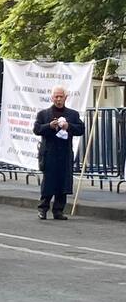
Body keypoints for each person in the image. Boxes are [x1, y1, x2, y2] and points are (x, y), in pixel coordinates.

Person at [33, 86, 85, 220]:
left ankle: (58, 210)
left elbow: (81, 129)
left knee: (63, 181)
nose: (58, 99)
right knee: (48, 181)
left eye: (61, 96)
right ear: (52, 98)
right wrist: (49, 126)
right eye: (56, 96)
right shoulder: (43, 114)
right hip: (49, 152)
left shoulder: (73, 114)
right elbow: (37, 129)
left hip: (65, 152)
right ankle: (43, 208)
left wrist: (69, 126)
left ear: (65, 98)